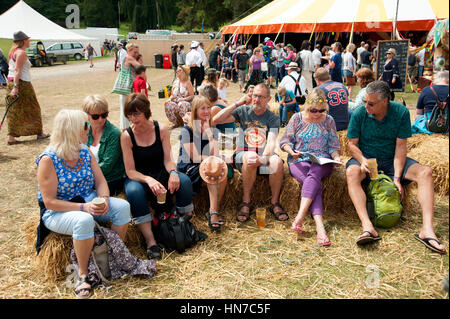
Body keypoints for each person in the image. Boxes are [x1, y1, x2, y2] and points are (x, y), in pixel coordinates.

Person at [36, 109, 131, 298]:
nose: (89, 128)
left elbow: (101, 182)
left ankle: (111, 257)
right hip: (58, 211)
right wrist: (83, 208)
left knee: (122, 208)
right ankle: (82, 275)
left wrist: (103, 199)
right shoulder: (48, 160)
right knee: (83, 221)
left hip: (89, 201)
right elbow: (50, 202)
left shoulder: (84, 150)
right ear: (73, 130)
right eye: (85, 125)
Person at [345, 81, 446, 254]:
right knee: (351, 172)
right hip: (369, 160)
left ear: (385, 101)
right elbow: (351, 145)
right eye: (365, 102)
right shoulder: (359, 113)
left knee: (425, 172)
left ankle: (427, 230)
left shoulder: (401, 112)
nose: (366, 106)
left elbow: (401, 147)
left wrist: (397, 178)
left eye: (371, 103)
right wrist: (362, 160)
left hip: (392, 160)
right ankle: (367, 226)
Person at [121, 93, 194, 260]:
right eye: (130, 114)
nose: (133, 118)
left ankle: (183, 228)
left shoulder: (160, 129)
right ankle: (151, 241)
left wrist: (174, 173)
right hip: (139, 177)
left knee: (184, 181)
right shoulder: (126, 136)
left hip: (161, 171)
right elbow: (130, 171)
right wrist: (148, 179)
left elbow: (168, 159)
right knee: (133, 192)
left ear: (146, 111)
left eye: (137, 113)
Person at [213, 83, 288, 223]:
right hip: (244, 153)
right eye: (255, 95)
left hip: (263, 154)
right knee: (250, 156)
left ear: (269, 99)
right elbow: (217, 120)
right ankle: (246, 202)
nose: (256, 99)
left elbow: (272, 142)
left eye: (261, 97)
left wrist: (263, 158)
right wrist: (238, 102)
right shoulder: (243, 111)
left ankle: (274, 203)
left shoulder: (273, 118)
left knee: (277, 162)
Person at [280, 88, 341, 247]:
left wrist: (337, 158)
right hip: (299, 160)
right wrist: (290, 151)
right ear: (306, 106)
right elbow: (285, 141)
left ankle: (299, 218)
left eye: (321, 110)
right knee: (314, 182)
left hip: (322, 161)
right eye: (313, 110)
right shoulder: (297, 118)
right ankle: (320, 228)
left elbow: (333, 146)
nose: (317, 113)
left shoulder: (329, 120)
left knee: (314, 173)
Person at [177, 96, 228, 231]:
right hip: (189, 166)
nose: (206, 111)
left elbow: (215, 153)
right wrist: (212, 161)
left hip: (206, 163)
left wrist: (209, 132)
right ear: (195, 111)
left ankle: (213, 209)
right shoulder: (186, 130)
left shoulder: (212, 129)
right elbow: (194, 156)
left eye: (208, 108)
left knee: (222, 169)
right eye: (203, 108)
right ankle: (213, 213)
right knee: (213, 168)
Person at [6, 31, 50, 145]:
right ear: (23, 41)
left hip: (13, 82)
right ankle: (39, 133)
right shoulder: (21, 53)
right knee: (34, 108)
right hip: (21, 84)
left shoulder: (13, 52)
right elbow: (17, 71)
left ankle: (11, 137)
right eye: (28, 39)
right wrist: (16, 87)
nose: (29, 41)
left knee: (14, 110)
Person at [83, 95, 126, 196]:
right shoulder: (83, 130)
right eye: (95, 117)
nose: (101, 119)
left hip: (110, 179)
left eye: (104, 115)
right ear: (87, 115)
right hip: (90, 177)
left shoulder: (114, 133)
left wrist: (83, 175)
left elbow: (107, 166)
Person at [411, 70, 449, 134]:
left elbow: (419, 112)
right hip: (447, 124)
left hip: (428, 124)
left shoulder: (426, 90)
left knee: (419, 118)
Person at [164, 65, 195, 129]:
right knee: (167, 104)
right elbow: (172, 95)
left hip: (186, 102)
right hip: (176, 101)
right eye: (177, 70)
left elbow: (192, 95)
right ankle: (175, 123)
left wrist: (183, 99)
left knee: (181, 104)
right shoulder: (175, 82)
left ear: (183, 72)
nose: (177, 71)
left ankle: (185, 123)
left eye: (179, 70)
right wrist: (170, 98)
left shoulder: (187, 82)